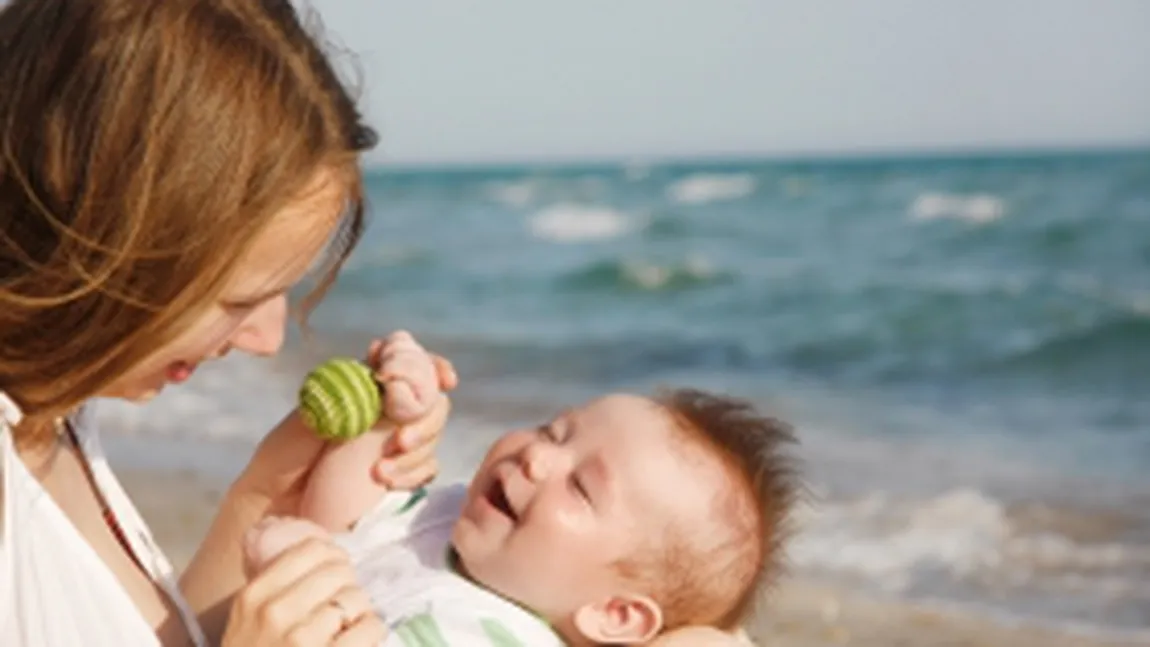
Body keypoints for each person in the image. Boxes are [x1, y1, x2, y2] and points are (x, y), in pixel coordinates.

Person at [0, 1, 757, 645]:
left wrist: (271, 488)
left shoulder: (51, 417)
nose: (266, 337)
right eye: (237, 299)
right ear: (99, 232)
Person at [247, 333, 799, 646]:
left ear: (615, 614)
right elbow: (342, 517)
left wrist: (301, 569)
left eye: (581, 488)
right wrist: (391, 417)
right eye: (553, 431)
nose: (537, 457)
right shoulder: (441, 522)